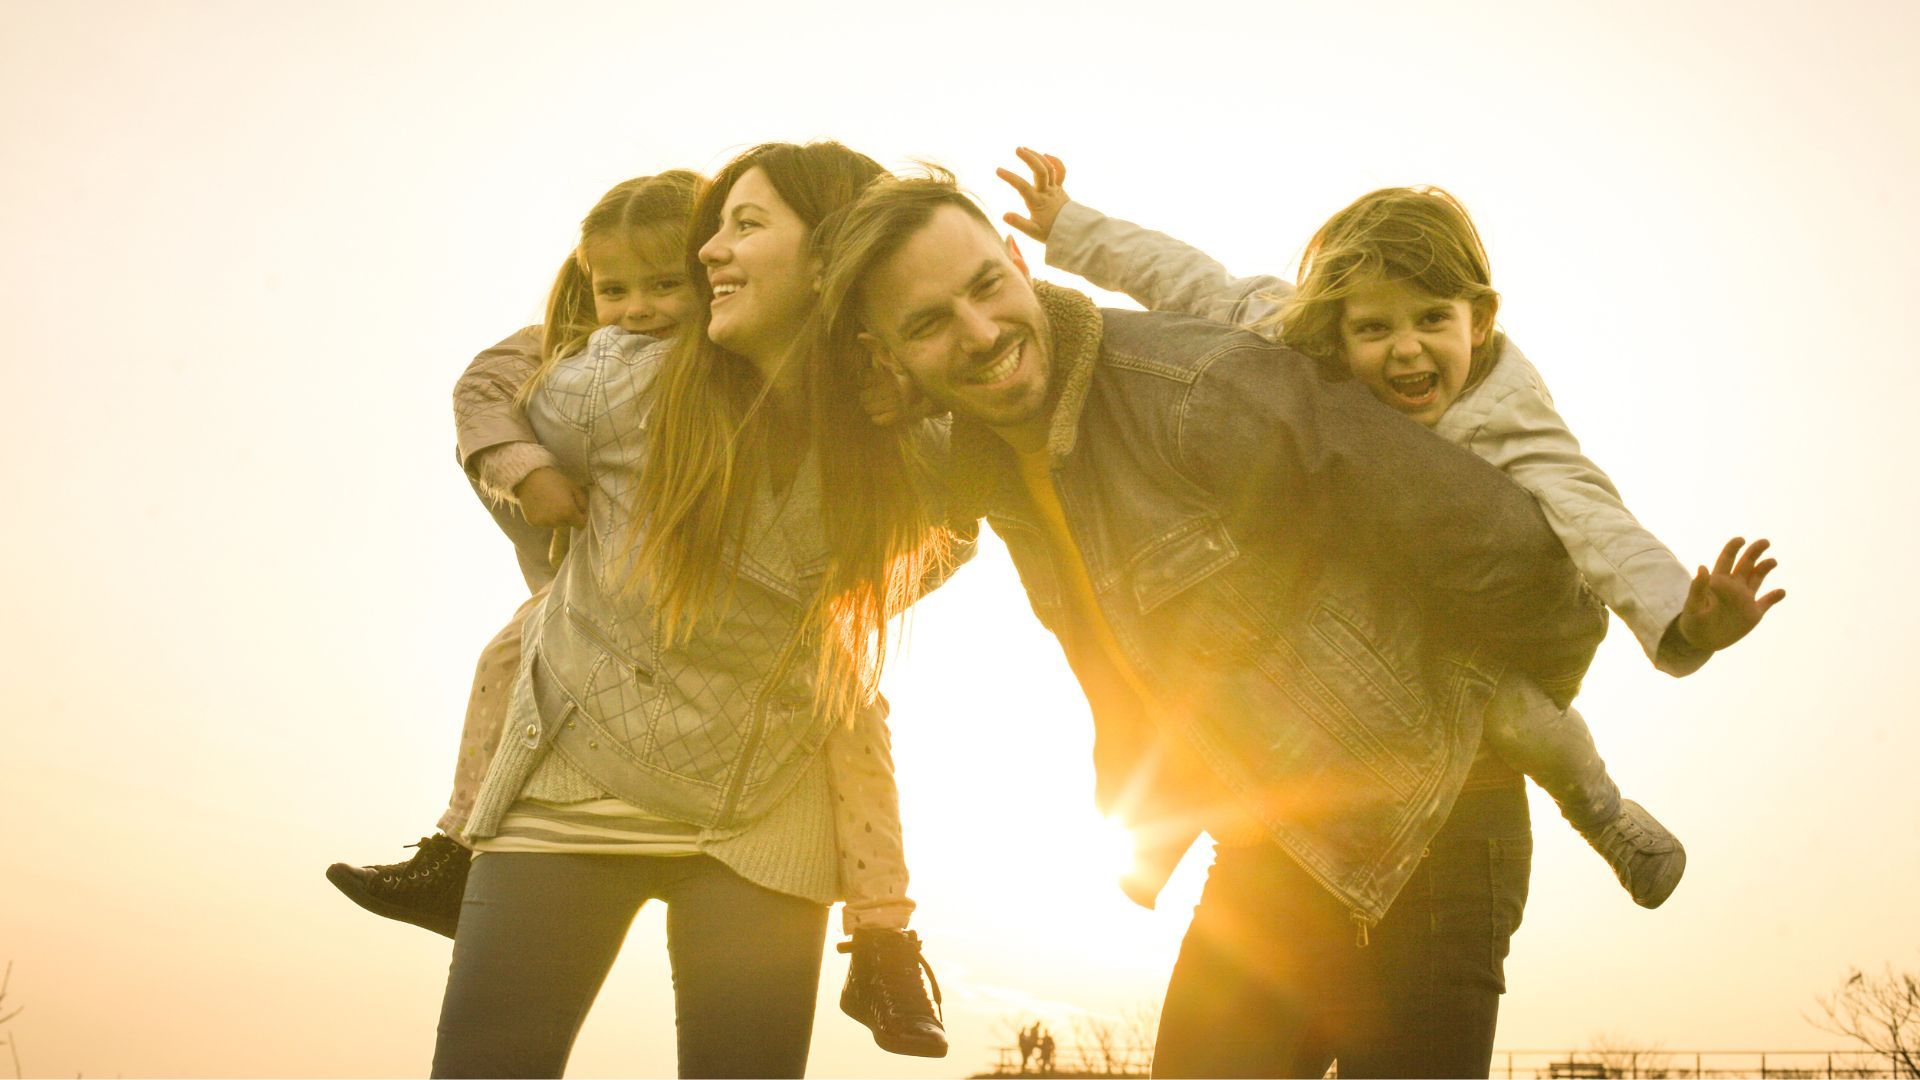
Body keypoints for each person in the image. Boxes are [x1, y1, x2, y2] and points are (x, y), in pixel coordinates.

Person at [812, 171, 1610, 1077]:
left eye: (987, 285)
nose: (982, 331)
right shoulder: (986, 458)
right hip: (1270, 837)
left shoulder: (1197, 387)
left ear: (1019, 263)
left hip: (1438, 821)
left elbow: (1517, 555)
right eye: (928, 323)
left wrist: (1513, 714)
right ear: (888, 355)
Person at [993, 150, 1785, 908]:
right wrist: (1070, 224)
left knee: (1518, 718)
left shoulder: (1506, 410)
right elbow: (1186, 278)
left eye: (1433, 319)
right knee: (1209, 643)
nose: (1406, 349)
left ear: (1480, 319)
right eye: (1374, 329)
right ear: (1336, 329)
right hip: (1328, 603)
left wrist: (1681, 617)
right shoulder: (1285, 332)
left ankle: (1604, 814)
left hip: (1459, 633)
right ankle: (1155, 828)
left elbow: (1589, 511)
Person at [425, 143, 961, 1077]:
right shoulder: (612, 381)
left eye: (744, 226)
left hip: (767, 813)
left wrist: (823, 593)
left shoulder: (907, 428)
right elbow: (488, 400)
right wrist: (553, 529)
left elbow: (954, 533)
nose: (709, 249)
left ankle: (885, 940)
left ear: (832, 258)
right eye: (714, 229)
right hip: (569, 789)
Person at [325, 172, 702, 938]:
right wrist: (528, 471)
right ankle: (458, 850)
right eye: (615, 289)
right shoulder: (567, 352)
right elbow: (483, 388)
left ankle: (878, 929)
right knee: (510, 659)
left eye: (665, 284)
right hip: (594, 585)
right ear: (587, 287)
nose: (637, 308)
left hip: (707, 597)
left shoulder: (742, 355)